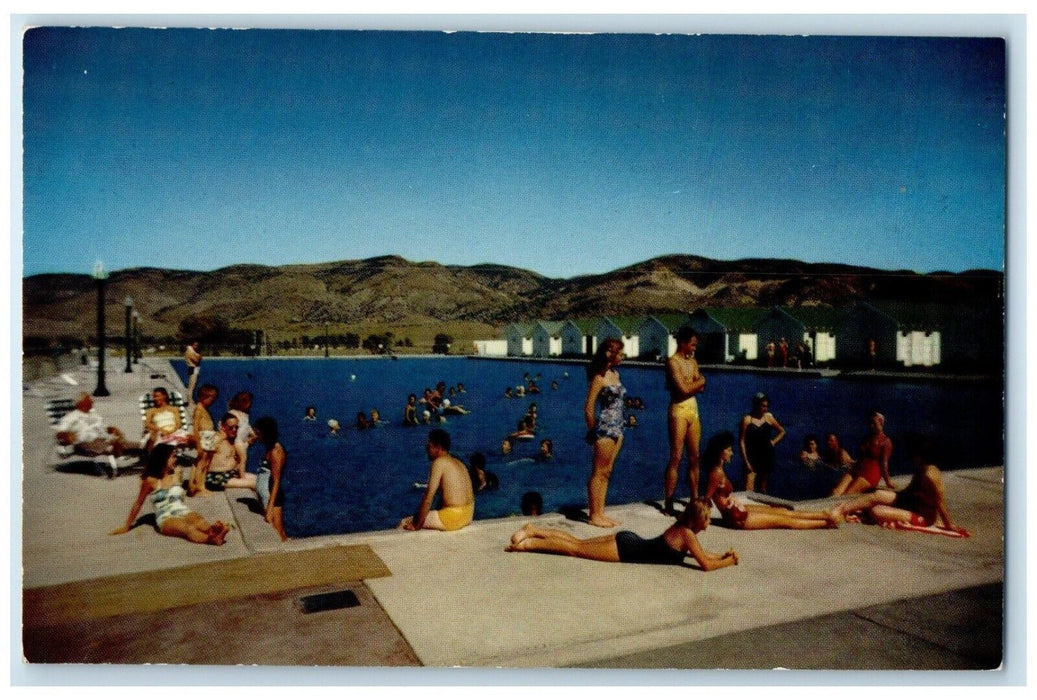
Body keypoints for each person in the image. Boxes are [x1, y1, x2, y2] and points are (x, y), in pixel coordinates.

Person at [505, 498, 738, 571]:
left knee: (577, 542)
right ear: (697, 519)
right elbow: (704, 564)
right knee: (575, 549)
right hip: (625, 549)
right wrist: (728, 561)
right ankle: (527, 544)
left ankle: (533, 530)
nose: (708, 524)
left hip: (628, 540)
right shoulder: (687, 534)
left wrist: (720, 555)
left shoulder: (684, 531)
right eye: (706, 519)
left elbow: (701, 554)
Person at [831, 435, 967, 535]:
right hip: (910, 502)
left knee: (876, 511)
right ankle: (842, 509)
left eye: (915, 454)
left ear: (920, 455)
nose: (913, 457)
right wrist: (892, 498)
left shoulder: (930, 476)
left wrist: (949, 525)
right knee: (877, 495)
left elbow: (939, 503)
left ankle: (853, 509)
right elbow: (910, 491)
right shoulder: (922, 469)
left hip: (923, 516)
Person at [703, 431, 839, 530]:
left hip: (738, 510)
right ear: (719, 452)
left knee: (782, 511)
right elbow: (706, 499)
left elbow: (718, 495)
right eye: (729, 450)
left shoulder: (719, 470)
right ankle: (826, 523)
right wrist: (704, 520)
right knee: (784, 521)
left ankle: (823, 515)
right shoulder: (716, 473)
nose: (732, 453)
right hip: (736, 518)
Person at [110, 443, 229, 546]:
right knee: (188, 528)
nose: (175, 459)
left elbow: (191, 491)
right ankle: (211, 539)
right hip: (165, 517)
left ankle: (213, 531)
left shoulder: (176, 475)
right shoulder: (151, 480)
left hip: (183, 510)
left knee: (199, 522)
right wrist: (127, 526)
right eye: (172, 456)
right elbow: (138, 503)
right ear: (162, 459)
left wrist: (181, 479)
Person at [662, 326, 707, 514]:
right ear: (683, 343)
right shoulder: (673, 362)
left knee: (695, 457)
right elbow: (684, 389)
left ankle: (695, 498)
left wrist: (696, 384)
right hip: (679, 410)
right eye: (692, 344)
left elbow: (697, 388)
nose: (694, 348)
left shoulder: (693, 362)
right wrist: (700, 382)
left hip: (692, 410)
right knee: (676, 456)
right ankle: (669, 500)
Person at [584, 338, 626, 528]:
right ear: (611, 353)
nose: (623, 356)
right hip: (605, 428)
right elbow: (589, 408)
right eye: (621, 353)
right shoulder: (599, 378)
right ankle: (593, 514)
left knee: (607, 471)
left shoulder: (615, 374)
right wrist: (592, 431)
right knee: (598, 472)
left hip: (618, 427)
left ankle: (601, 512)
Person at [399, 428, 475, 531]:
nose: (426, 449)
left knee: (404, 522)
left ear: (438, 447)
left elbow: (428, 498)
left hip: (454, 517)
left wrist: (416, 525)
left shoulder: (439, 463)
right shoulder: (459, 463)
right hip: (469, 514)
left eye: (429, 446)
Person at [191, 413, 257, 495]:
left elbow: (244, 447)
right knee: (253, 484)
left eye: (236, 427)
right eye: (231, 427)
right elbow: (201, 455)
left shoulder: (233, 441)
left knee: (258, 479)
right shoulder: (217, 440)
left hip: (230, 474)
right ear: (223, 427)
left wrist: (251, 439)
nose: (234, 430)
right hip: (217, 477)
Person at [831, 411, 894, 495]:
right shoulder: (866, 439)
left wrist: (888, 482)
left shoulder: (885, 442)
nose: (871, 426)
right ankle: (826, 508)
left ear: (881, 422)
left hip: (871, 473)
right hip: (857, 469)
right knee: (836, 491)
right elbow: (862, 457)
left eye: (873, 423)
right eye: (869, 423)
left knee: (849, 493)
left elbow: (884, 464)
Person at [55, 392, 135, 458]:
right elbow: (60, 433)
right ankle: (114, 447)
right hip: (86, 441)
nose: (92, 402)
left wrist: (112, 430)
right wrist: (70, 438)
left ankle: (141, 447)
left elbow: (104, 427)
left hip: (103, 437)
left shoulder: (94, 415)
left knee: (126, 443)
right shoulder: (71, 417)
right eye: (89, 400)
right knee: (103, 445)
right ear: (81, 403)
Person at [739, 392, 786, 493]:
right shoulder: (747, 420)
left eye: (767, 406)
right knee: (748, 488)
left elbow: (782, 431)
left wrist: (773, 442)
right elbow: (742, 441)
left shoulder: (768, 418)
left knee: (762, 488)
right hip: (752, 456)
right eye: (763, 406)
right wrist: (746, 460)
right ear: (756, 404)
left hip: (766, 455)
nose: (765, 409)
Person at [253, 416, 288, 541]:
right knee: (276, 530)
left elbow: (276, 480)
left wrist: (270, 507)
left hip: (271, 496)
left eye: (258, 434)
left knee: (277, 531)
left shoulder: (276, 451)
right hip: (267, 495)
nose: (256, 437)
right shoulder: (269, 448)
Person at [227, 391, 255, 472]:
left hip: (243, 442)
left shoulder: (245, 415)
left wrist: (252, 433)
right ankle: (241, 475)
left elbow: (246, 425)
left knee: (240, 459)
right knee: (242, 459)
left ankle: (238, 472)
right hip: (236, 441)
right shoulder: (233, 413)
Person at [191, 384, 219, 452]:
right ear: (204, 396)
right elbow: (195, 428)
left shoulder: (205, 410)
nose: (213, 401)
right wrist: (198, 445)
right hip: (203, 440)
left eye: (214, 398)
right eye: (211, 398)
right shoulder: (199, 410)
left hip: (208, 439)